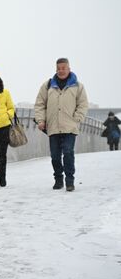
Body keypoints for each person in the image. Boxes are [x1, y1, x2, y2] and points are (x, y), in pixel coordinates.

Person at [34, 58, 88, 192]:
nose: (61, 71)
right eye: (58, 68)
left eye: (63, 68)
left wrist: (77, 118)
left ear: (69, 68)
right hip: (53, 127)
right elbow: (39, 104)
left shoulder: (78, 86)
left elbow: (83, 104)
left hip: (70, 126)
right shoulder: (48, 85)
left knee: (68, 152)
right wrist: (41, 120)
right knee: (55, 156)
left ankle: (70, 181)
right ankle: (58, 179)